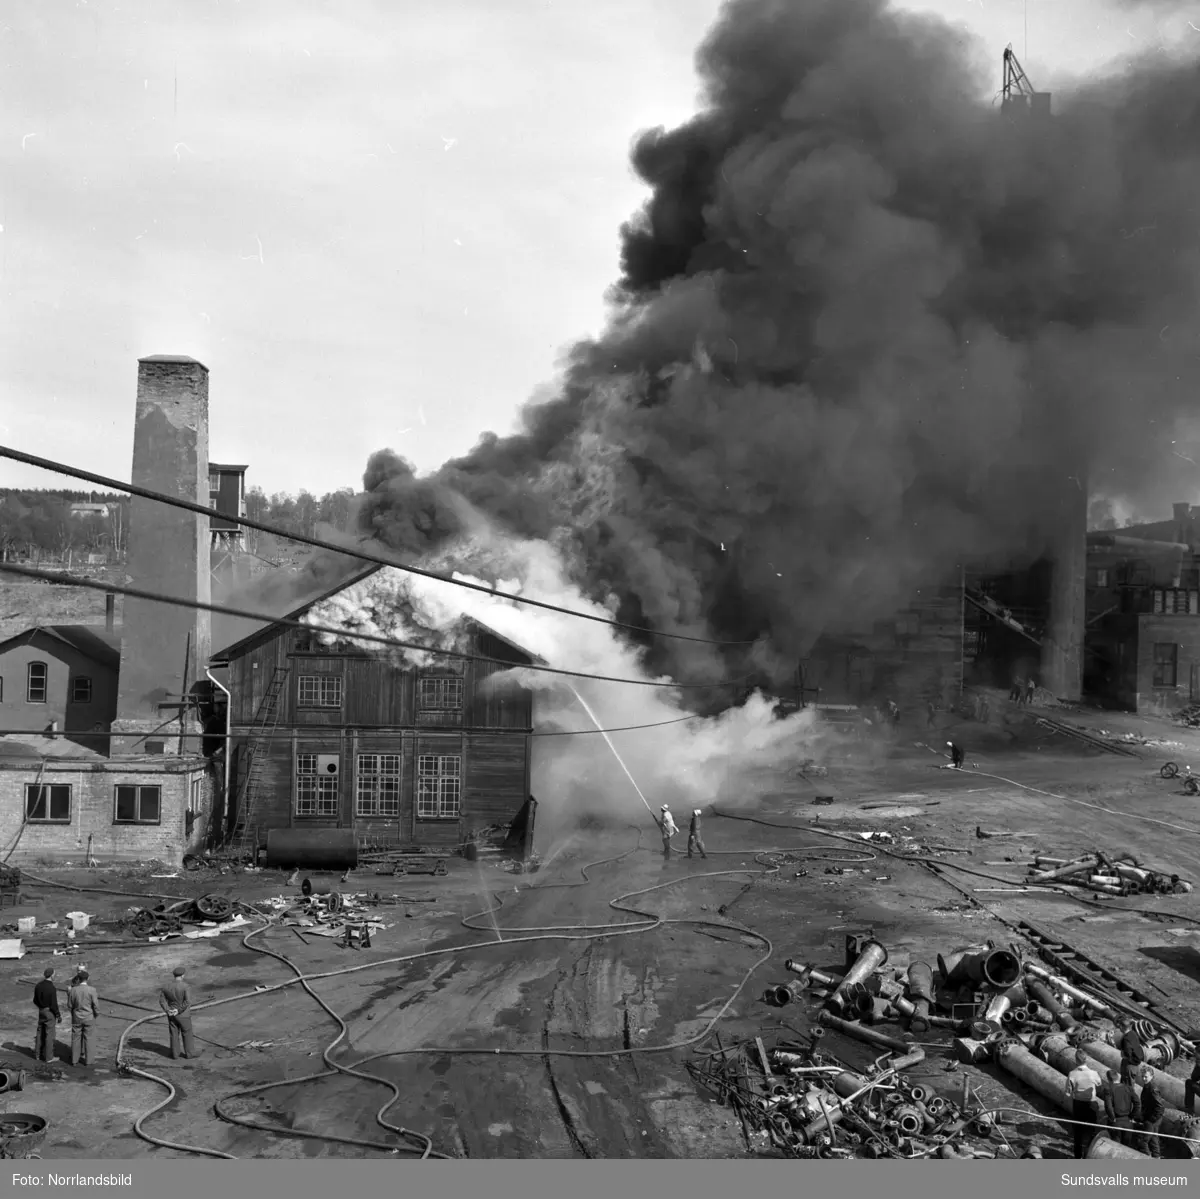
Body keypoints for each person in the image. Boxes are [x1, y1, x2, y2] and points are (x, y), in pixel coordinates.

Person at [1066, 1048, 1104, 1158]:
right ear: (1086, 1060)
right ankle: (1091, 1154)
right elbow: (1099, 1086)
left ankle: (1078, 1156)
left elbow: (1068, 1092)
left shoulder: (1072, 1074)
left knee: (1078, 1133)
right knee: (1092, 1131)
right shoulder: (1094, 1073)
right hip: (1091, 1104)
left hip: (1078, 1104)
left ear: (1076, 1060)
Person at [159, 966, 198, 1060]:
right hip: (183, 1015)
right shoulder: (185, 986)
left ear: (174, 975)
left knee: (174, 1034)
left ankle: (175, 1054)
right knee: (187, 1033)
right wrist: (179, 1010)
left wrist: (168, 1010)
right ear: (182, 975)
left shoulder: (166, 986)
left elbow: (162, 1001)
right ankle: (190, 1054)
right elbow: (187, 1002)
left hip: (171, 1015)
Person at [67, 968, 100, 1067]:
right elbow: (96, 1005)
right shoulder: (92, 990)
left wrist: (73, 1014)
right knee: (89, 1039)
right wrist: (96, 1014)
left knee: (75, 1038)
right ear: (88, 978)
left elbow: (69, 1005)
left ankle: (74, 1060)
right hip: (89, 1017)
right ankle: (89, 1061)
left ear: (79, 978)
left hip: (76, 1017)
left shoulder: (73, 990)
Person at [1101, 1067, 1139, 1148]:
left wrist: (1112, 1117)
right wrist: (1132, 1116)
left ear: (1109, 1079)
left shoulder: (1109, 1089)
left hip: (1115, 1122)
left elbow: (1108, 1106)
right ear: (1118, 1077)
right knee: (1126, 1148)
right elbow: (1138, 1103)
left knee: (1115, 1148)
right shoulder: (1128, 1088)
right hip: (1128, 1122)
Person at [32, 967, 61, 1063]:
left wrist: (40, 1007)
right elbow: (53, 1004)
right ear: (52, 975)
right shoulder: (51, 988)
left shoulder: (38, 985)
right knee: (49, 1035)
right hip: (49, 1012)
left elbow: (35, 1000)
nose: (55, 975)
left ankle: (37, 1055)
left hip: (41, 1011)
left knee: (39, 1033)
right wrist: (58, 1014)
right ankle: (49, 1057)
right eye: (54, 974)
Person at [1137, 1066, 1166, 1158]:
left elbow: (1160, 1107)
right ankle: (1156, 1157)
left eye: (1146, 1076)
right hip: (1152, 1118)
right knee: (1153, 1139)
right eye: (1142, 1076)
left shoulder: (1152, 1088)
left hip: (1152, 1119)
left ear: (1152, 1076)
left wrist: (1151, 1119)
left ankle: (1147, 1157)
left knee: (1142, 1141)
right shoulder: (1147, 1086)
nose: (1144, 1078)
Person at [1116, 1016, 1146, 1085]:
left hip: (1129, 1066)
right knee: (1129, 1084)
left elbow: (1128, 1054)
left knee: (1127, 1086)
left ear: (1122, 1027)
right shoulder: (1133, 1033)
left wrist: (1123, 1054)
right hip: (1134, 1064)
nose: (1119, 1028)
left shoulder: (1126, 1039)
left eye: (1119, 1026)